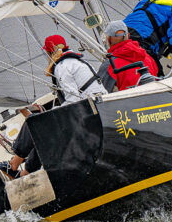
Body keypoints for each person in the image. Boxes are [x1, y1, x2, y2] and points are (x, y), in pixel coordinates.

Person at [6, 35, 107, 177]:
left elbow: (73, 100)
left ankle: (14, 164)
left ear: (50, 52)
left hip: (88, 115)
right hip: (97, 110)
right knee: (44, 131)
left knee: (34, 121)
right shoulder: (75, 62)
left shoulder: (62, 66)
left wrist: (51, 112)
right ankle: (24, 173)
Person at [97, 20, 159, 92]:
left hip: (129, 98)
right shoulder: (148, 57)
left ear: (108, 40)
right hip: (152, 96)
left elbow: (100, 92)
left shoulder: (110, 65)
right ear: (129, 35)